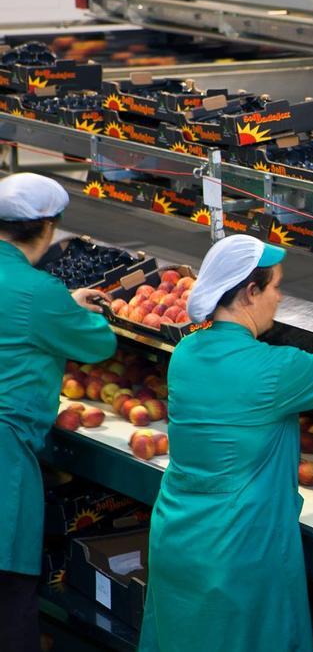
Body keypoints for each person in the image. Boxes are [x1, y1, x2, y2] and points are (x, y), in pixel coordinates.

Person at [139, 235, 313, 652]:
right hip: (237, 551)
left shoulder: (187, 351)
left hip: (179, 535)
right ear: (250, 293)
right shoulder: (270, 369)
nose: (281, 298)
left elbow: (291, 378)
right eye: (276, 287)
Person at [0, 173, 115, 652]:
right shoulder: (37, 290)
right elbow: (99, 343)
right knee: (8, 603)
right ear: (47, 228)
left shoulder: (33, 292)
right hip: (4, 460)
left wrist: (60, 305)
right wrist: (73, 311)